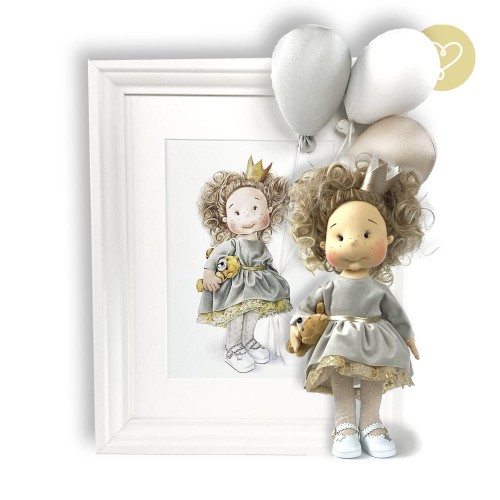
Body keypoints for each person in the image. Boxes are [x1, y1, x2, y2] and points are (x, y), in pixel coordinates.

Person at [289, 158, 428, 458]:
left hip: (375, 339)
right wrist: (296, 328)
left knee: (373, 377)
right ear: (323, 243)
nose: (352, 244)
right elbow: (304, 308)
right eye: (339, 237)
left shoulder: (379, 290)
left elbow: (396, 314)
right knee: (339, 375)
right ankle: (344, 425)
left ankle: (371, 423)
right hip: (338, 341)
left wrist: (408, 337)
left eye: (367, 235)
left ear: (388, 240)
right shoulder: (329, 287)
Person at [197, 157, 292, 373]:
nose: (247, 217)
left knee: (252, 315)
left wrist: (276, 282)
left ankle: (248, 341)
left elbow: (268, 264)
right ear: (225, 218)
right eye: (237, 213)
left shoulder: (261, 245)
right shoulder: (232, 243)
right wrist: (208, 273)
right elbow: (213, 258)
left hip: (257, 287)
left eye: (255, 208)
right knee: (237, 317)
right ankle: (233, 348)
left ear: (269, 210)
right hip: (237, 288)